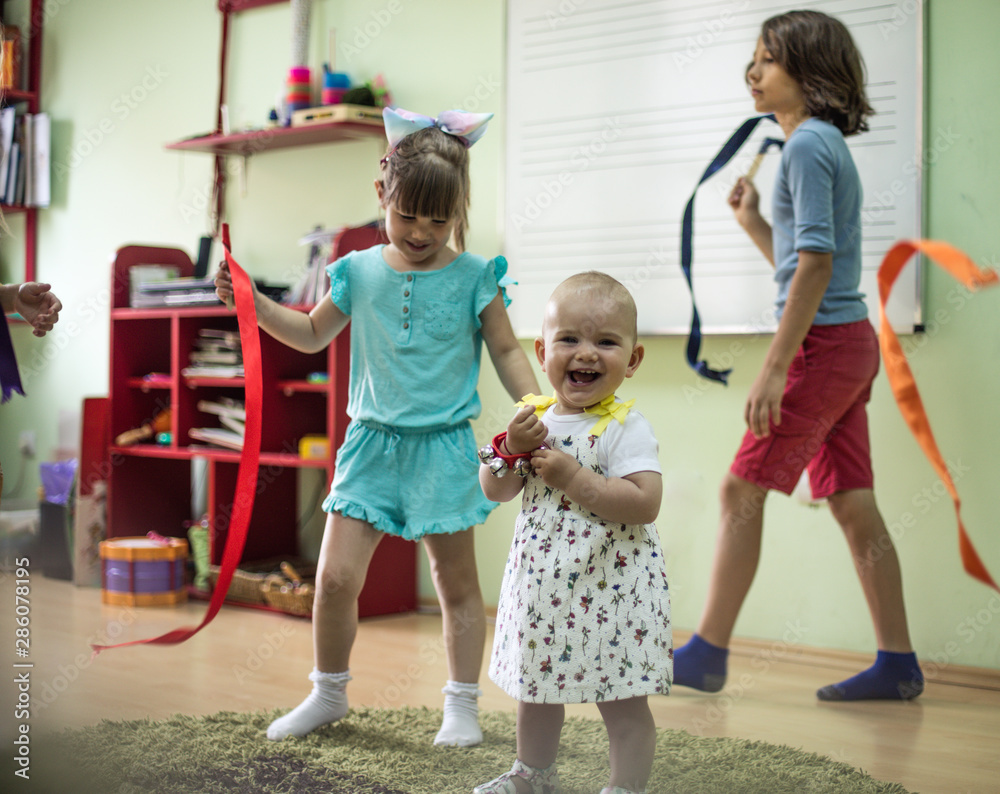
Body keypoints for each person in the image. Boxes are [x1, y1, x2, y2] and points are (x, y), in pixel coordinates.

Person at [214, 108, 539, 747]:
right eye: (407, 213)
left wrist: (538, 403)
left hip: (443, 448)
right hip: (369, 445)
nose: (421, 231)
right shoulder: (358, 271)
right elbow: (310, 333)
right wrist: (252, 304)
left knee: (455, 583)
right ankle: (327, 693)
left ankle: (462, 705)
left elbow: (504, 351)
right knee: (334, 579)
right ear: (381, 194)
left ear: (459, 209)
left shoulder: (476, 277)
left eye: (439, 219)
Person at [672, 10, 923, 702]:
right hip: (849, 342)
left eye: (768, 60)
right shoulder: (816, 146)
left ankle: (707, 654)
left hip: (822, 347)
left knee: (739, 489)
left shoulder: (809, 146)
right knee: (851, 503)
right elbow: (808, 267)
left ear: (810, 72)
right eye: (751, 60)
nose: (753, 72)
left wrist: (777, 367)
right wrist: (756, 223)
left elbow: (816, 264)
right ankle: (898, 665)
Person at [475, 272, 671, 794]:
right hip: (544, 590)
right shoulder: (531, 420)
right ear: (542, 351)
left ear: (632, 360)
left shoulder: (625, 427)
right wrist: (510, 451)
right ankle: (532, 775)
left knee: (624, 698)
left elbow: (645, 503)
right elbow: (495, 491)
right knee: (536, 693)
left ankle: (624, 787)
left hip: (613, 592)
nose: (586, 353)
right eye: (569, 339)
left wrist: (575, 478)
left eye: (606, 342)